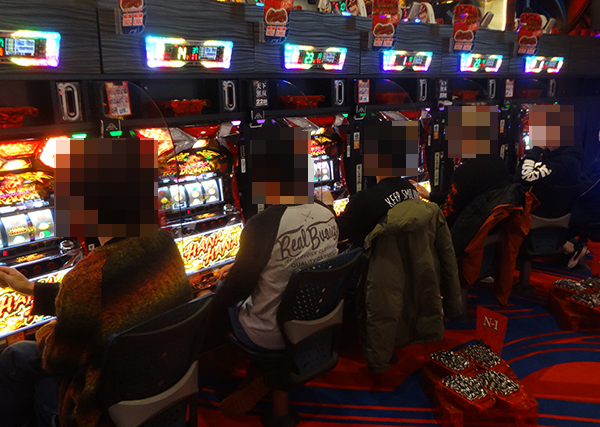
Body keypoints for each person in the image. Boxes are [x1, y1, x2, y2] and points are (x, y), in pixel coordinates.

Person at [0, 137, 192, 427]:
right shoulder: (163, 243)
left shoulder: (90, 274)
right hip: (164, 377)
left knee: (15, 356)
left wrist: (47, 331)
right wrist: (31, 289)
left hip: (104, 407)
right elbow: (113, 295)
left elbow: (59, 358)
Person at [215, 126, 339, 416]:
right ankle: (264, 374)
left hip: (270, 333)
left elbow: (235, 290)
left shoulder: (262, 224)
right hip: (317, 320)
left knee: (212, 298)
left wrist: (219, 284)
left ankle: (256, 372)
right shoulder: (328, 213)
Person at [336, 120, 421, 247]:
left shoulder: (363, 201)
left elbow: (335, 233)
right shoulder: (411, 189)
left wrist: (325, 208)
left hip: (373, 257)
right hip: (405, 255)